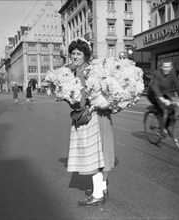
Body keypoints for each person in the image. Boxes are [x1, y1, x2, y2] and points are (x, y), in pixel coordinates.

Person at [66, 39, 114, 207]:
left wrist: (67, 97)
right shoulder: (86, 69)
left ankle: (97, 194)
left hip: (91, 118)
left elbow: (80, 102)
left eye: (79, 53)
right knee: (101, 155)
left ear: (85, 55)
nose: (75, 56)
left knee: (94, 156)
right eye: (73, 53)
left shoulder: (83, 72)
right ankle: (101, 189)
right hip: (100, 115)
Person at [147, 59, 179, 138]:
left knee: (172, 108)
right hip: (154, 94)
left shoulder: (172, 72)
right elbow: (155, 87)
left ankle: (168, 126)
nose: (167, 69)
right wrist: (162, 99)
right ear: (161, 67)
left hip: (167, 93)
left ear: (171, 67)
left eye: (169, 67)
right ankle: (162, 129)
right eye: (165, 67)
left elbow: (177, 83)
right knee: (162, 108)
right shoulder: (157, 73)